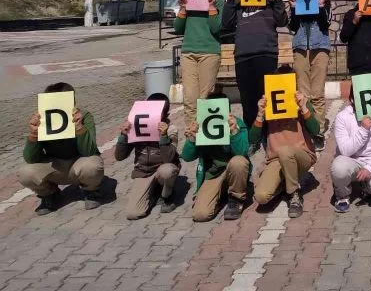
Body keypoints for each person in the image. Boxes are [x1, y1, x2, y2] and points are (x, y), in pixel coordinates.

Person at [222, 0, 288, 149]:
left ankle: (268, 135)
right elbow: (226, 24)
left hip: (267, 54)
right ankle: (253, 137)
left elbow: (283, 21)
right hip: (243, 56)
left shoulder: (271, 4)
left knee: (267, 97)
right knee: (248, 99)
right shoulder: (238, 5)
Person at [19, 82, 105, 215]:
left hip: (79, 162)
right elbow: (31, 158)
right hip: (55, 166)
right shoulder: (43, 120)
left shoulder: (85, 116)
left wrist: (79, 127)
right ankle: (50, 194)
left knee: (92, 166)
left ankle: (91, 191)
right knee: (25, 173)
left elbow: (89, 151)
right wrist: (34, 134)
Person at [250, 67, 320, 218]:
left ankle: (294, 194)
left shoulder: (300, 102)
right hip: (276, 159)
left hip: (301, 155)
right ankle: (285, 183)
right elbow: (253, 139)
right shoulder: (268, 104)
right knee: (261, 196)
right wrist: (260, 114)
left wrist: (303, 108)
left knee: (285, 151)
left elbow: (316, 130)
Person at [181, 92, 250, 222]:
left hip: (233, 169)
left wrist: (234, 132)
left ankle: (236, 198)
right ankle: (219, 195)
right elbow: (187, 157)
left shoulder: (237, 123)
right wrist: (192, 138)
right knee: (200, 215)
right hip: (213, 174)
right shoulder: (202, 125)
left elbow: (242, 152)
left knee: (239, 162)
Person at [115, 93, 180, 219]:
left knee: (168, 171)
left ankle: (167, 195)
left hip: (162, 169)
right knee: (133, 213)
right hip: (143, 171)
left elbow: (169, 159)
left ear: (165, 114)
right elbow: (120, 156)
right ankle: (154, 191)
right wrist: (123, 136)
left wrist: (164, 136)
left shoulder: (171, 129)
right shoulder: (137, 126)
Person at [288, 0, 333, 151]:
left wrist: (321, 6)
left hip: (319, 47)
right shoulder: (297, 1)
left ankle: (318, 131)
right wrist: (293, 8)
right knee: (303, 93)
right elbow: (292, 26)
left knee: (317, 92)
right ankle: (307, 130)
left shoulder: (325, 2)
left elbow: (326, 24)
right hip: (300, 48)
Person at [330, 91, 371, 213]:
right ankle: (342, 195)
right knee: (338, 168)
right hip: (350, 160)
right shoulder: (342, 117)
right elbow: (345, 150)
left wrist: (370, 168)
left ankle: (366, 187)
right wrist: (363, 130)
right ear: (352, 99)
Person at [174, 0, 225, 128]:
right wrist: (183, 8)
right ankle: (192, 134)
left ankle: (205, 133)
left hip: (209, 53)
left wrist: (211, 5)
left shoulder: (219, 3)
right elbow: (178, 28)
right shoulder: (188, 2)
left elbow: (216, 28)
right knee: (190, 99)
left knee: (204, 98)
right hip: (188, 53)